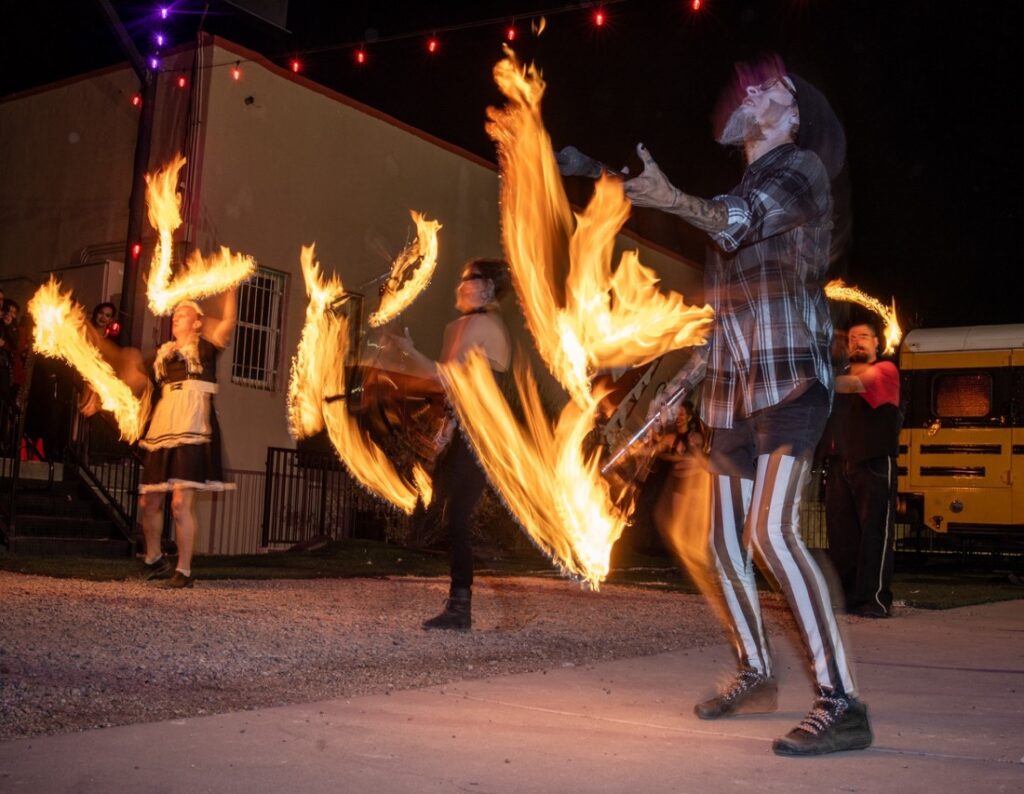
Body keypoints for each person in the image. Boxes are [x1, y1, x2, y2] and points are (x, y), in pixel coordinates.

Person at [616, 62, 871, 756]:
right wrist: (682, 381)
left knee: (769, 532)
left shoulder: (800, 171)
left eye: (776, 89)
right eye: (757, 84)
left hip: (789, 380)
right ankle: (756, 672)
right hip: (733, 391)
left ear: (793, 118)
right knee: (721, 540)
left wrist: (671, 198)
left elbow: (738, 223)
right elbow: (727, 311)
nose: (757, 88)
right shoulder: (739, 187)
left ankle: (842, 702)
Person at [395, 258, 512, 631]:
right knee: (449, 515)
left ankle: (460, 607)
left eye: (469, 279)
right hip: (467, 432)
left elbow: (450, 379)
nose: (461, 285)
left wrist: (411, 352)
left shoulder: (485, 327)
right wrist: (447, 429)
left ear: (486, 288)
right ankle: (459, 602)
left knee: (456, 517)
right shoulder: (464, 327)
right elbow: (457, 392)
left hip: (481, 437)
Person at [137, 294, 237, 588]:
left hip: (193, 423)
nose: (176, 317)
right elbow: (137, 380)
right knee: (148, 501)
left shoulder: (206, 347)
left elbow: (228, 322)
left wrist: (231, 289)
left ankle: (183, 571)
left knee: (180, 503)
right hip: (164, 424)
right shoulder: (162, 355)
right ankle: (154, 559)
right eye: (175, 314)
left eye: (184, 313)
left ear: (197, 323)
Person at [824, 321, 900, 618]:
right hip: (839, 462)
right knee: (841, 536)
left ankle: (874, 599)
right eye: (852, 337)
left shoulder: (885, 369)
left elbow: (854, 384)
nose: (857, 341)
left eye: (864, 337)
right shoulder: (839, 374)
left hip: (873, 461)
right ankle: (845, 598)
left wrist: (815, 374)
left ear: (877, 343)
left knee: (874, 534)